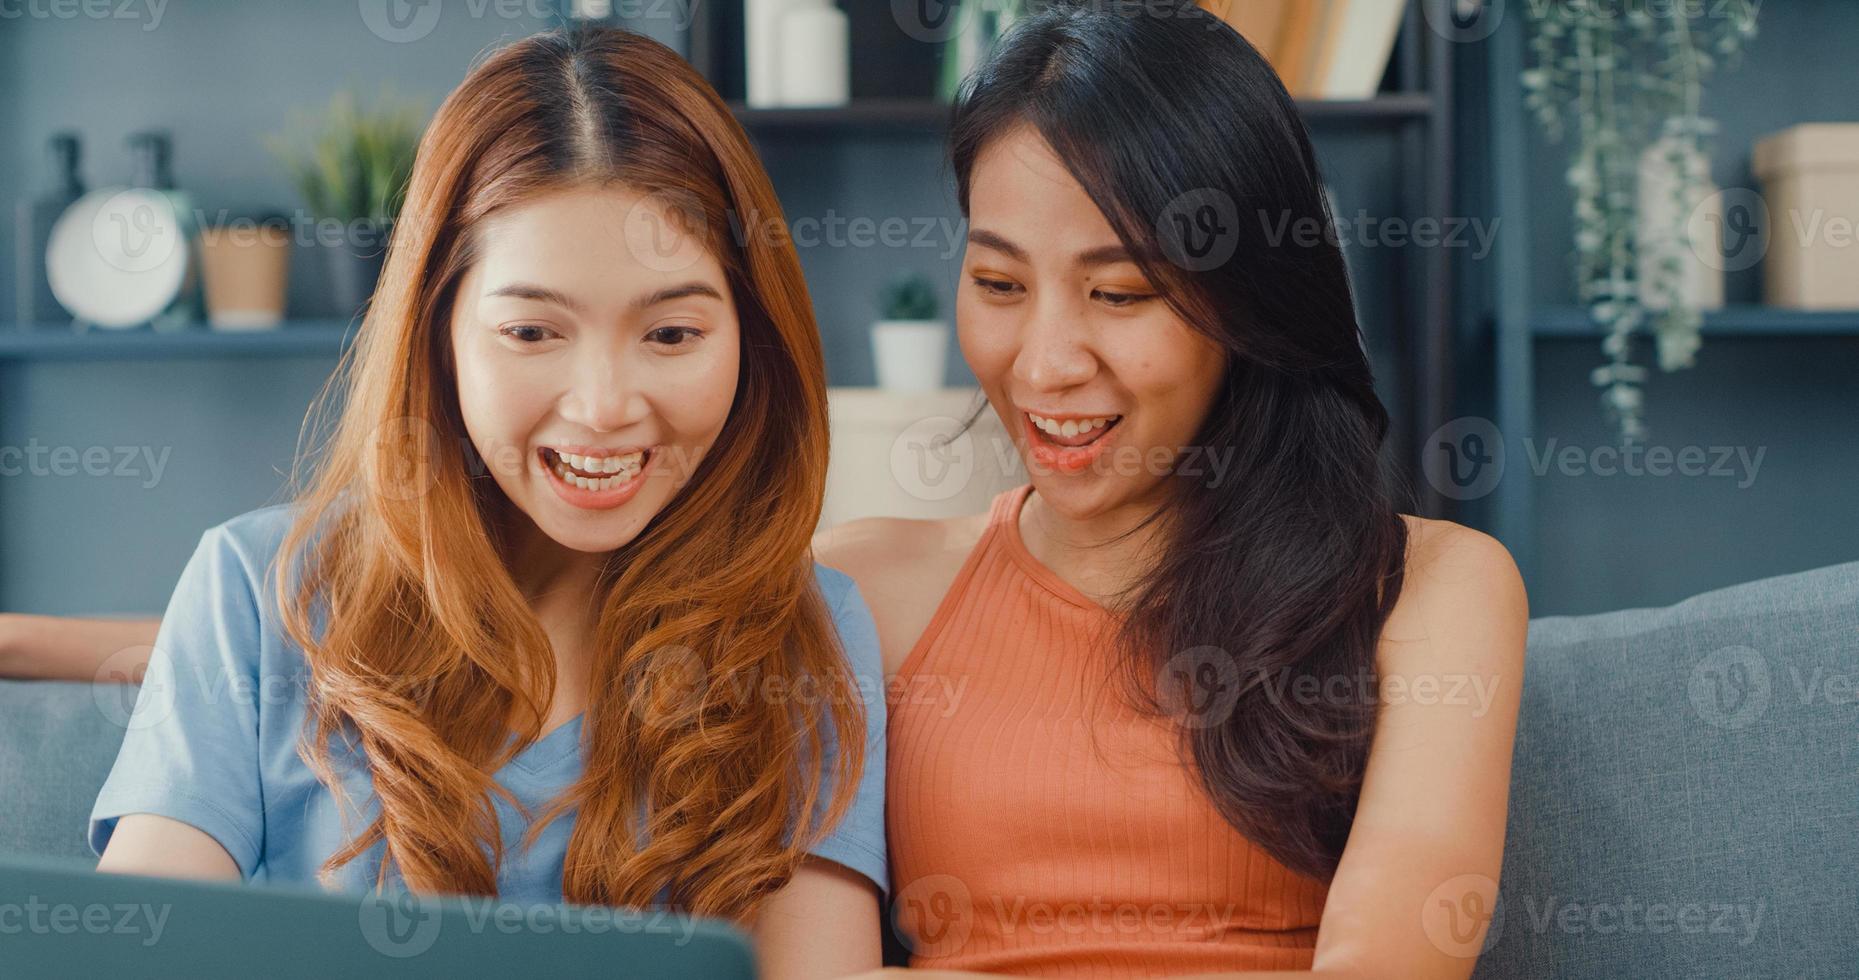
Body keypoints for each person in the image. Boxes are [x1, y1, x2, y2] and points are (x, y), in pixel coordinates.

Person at [64, 26, 886, 979]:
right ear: (438, 328)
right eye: (532, 330)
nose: (604, 408)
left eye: (671, 332)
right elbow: (136, 951)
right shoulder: (256, 590)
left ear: (751, 340)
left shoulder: (807, 636)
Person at [819, 5, 1526, 977]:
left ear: (1244, 300)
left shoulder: (1429, 588)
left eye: (1118, 294)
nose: (1044, 363)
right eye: (996, 282)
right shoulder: (861, 586)